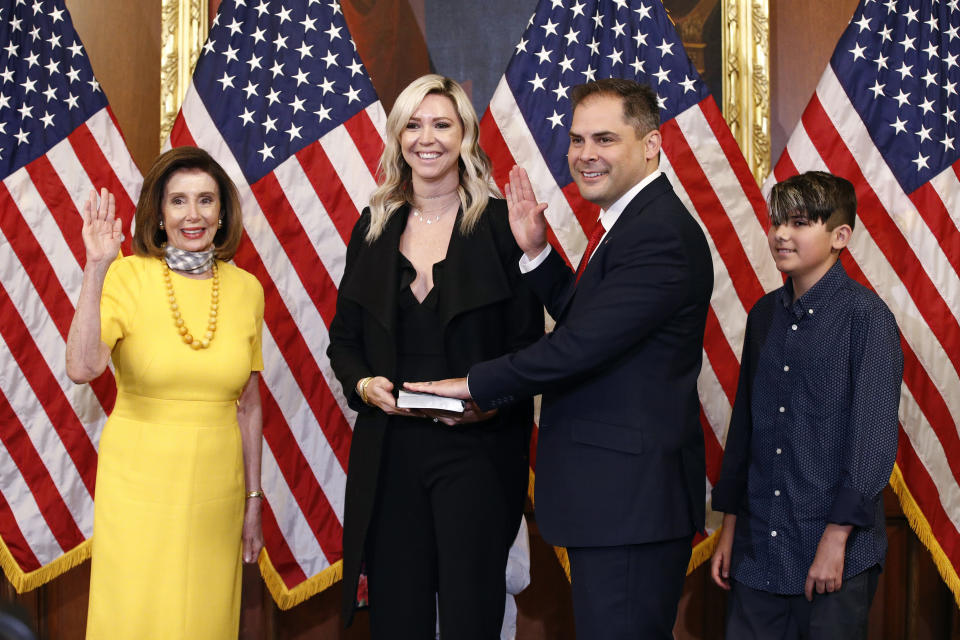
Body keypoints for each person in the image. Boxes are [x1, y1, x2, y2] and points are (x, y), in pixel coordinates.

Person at [407, 78, 714, 638]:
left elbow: (578, 348)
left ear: (651, 144)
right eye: (576, 139)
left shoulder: (659, 234)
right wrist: (537, 252)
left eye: (604, 139)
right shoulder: (631, 222)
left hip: (631, 504)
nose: (584, 155)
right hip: (617, 502)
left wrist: (472, 383)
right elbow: (592, 323)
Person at [326, 74, 543, 638]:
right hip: (391, 452)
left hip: (476, 453)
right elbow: (344, 342)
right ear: (398, 138)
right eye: (413, 125)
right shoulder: (371, 229)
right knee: (398, 617)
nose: (428, 138)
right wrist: (363, 386)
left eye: (442, 124)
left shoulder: (500, 226)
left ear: (465, 136)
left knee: (473, 616)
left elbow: (531, 348)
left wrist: (487, 403)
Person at [65, 147, 265, 640]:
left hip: (217, 488)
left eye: (205, 200)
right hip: (139, 484)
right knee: (136, 614)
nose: (192, 215)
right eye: (178, 201)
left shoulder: (247, 289)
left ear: (223, 214)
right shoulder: (127, 275)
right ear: (158, 213)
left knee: (204, 615)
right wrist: (96, 268)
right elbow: (82, 366)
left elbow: (251, 404)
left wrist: (253, 499)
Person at [709, 172, 902, 639]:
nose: (780, 234)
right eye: (777, 221)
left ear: (840, 236)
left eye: (798, 223)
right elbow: (746, 432)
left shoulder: (867, 319)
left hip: (834, 553)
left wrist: (835, 540)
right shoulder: (764, 314)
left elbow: (872, 447)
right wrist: (730, 528)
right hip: (758, 552)